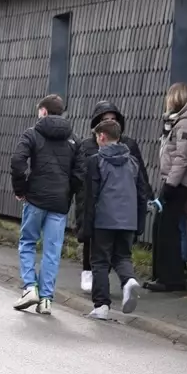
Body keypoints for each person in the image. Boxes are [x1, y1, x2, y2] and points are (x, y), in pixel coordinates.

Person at [10, 94, 84, 315]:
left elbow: (17, 161)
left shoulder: (32, 134)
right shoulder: (74, 139)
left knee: (28, 242)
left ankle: (30, 287)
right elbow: (80, 173)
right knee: (52, 250)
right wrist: (67, 192)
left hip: (35, 198)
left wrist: (21, 189)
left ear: (43, 111)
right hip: (59, 203)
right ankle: (46, 300)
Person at [76, 101, 151, 292]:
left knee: (100, 258)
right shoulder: (87, 146)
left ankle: (101, 303)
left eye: (112, 119)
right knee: (119, 255)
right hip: (123, 214)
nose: (110, 121)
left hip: (105, 212)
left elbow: (140, 179)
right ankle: (127, 280)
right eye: (105, 119)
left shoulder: (127, 149)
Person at [148, 83, 187, 293]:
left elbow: (183, 157)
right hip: (174, 181)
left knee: (168, 229)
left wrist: (169, 186)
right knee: (162, 226)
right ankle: (163, 275)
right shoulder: (178, 121)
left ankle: (171, 278)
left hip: (179, 183)